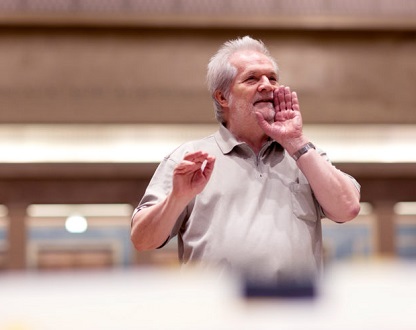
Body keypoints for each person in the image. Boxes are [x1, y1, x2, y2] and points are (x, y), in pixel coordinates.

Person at [131, 36, 360, 284]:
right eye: (252, 78)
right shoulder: (189, 158)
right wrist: (177, 198)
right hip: (215, 316)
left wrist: (296, 142)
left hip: (294, 315)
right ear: (222, 97)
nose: (267, 85)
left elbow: (348, 208)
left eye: (272, 78)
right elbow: (142, 239)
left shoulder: (303, 155)